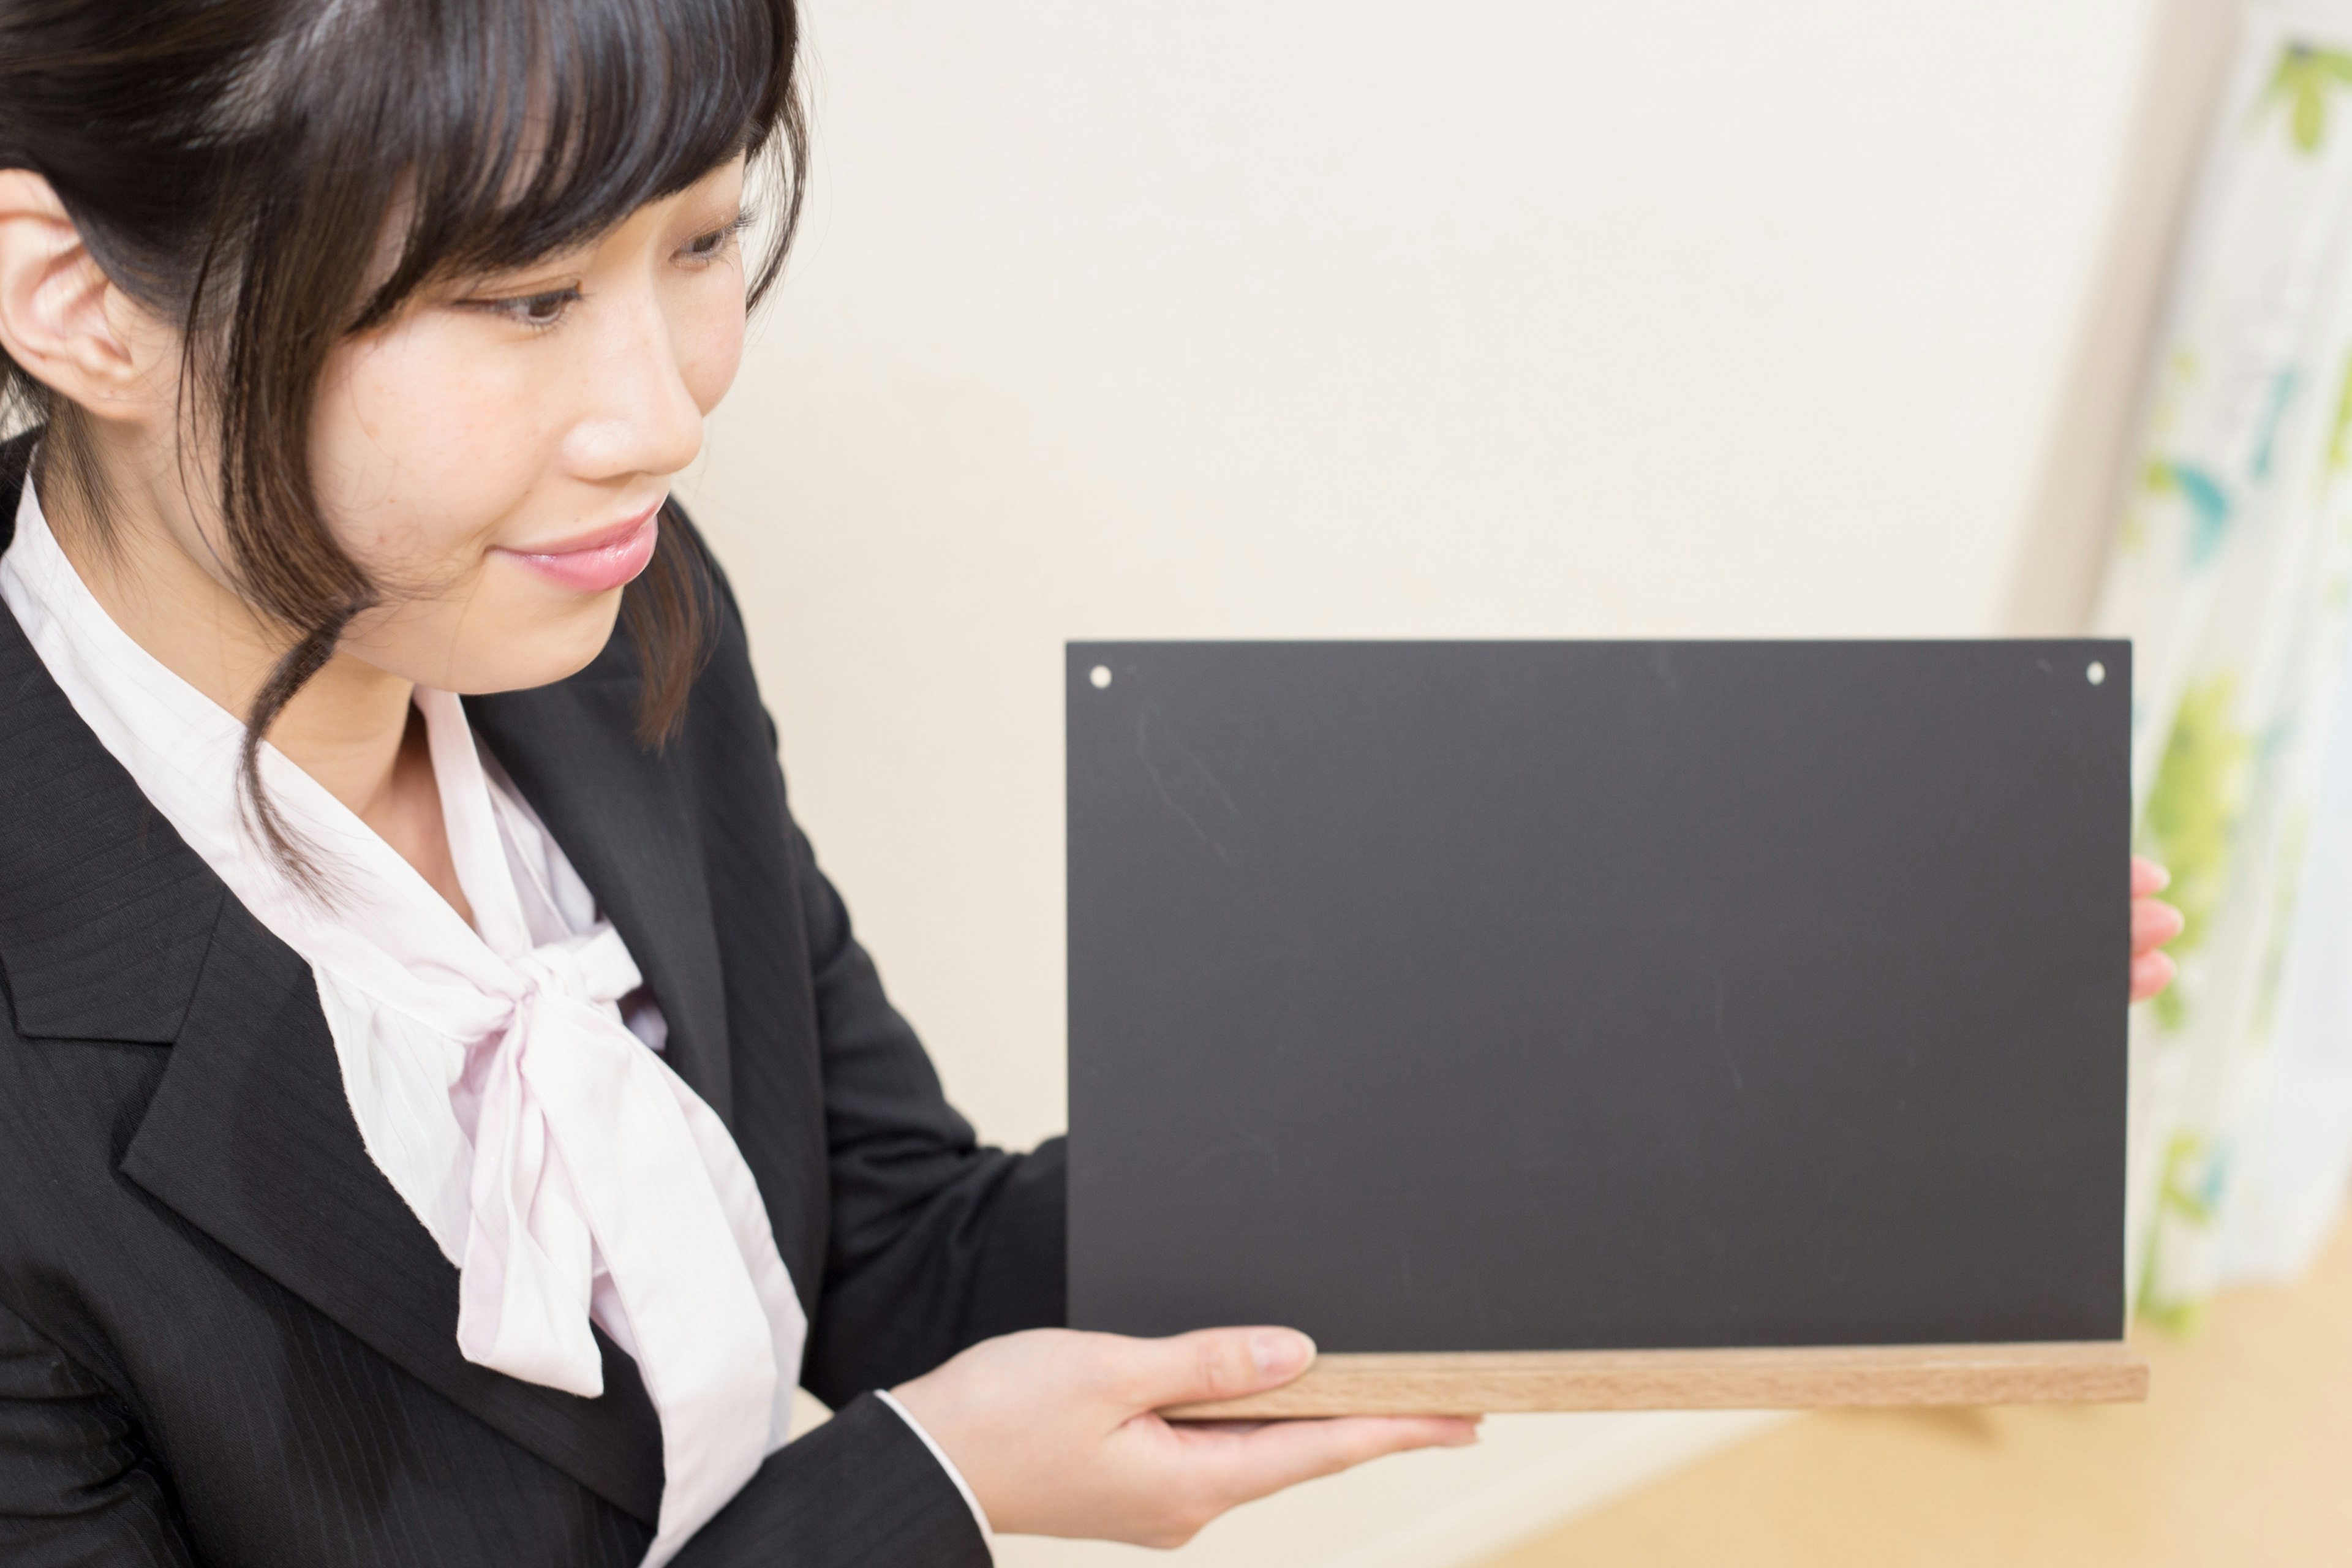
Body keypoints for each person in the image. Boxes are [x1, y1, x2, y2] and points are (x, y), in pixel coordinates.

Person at [0, 2, 2183, 1564]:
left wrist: (1719, 1051)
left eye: (698, 243)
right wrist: (924, 1497)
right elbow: (921, 1425)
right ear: (81, 298)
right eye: (524, 296)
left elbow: (898, 1249)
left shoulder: (594, 630)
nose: (662, 412)